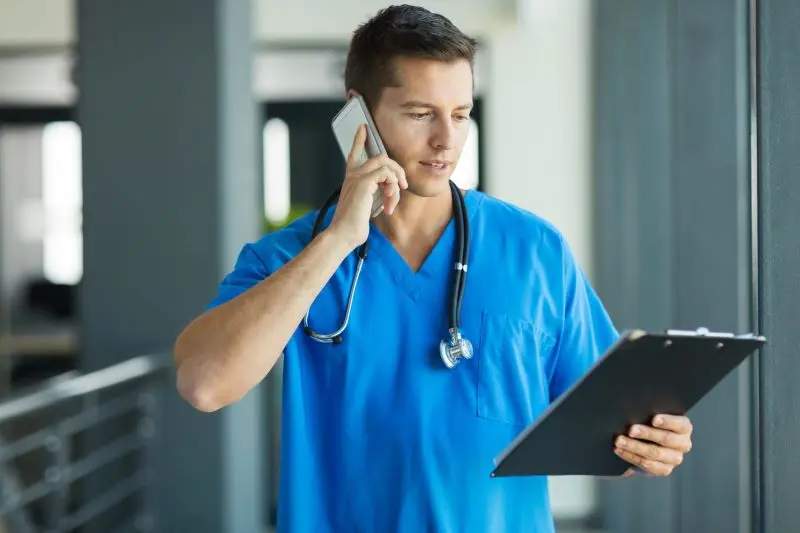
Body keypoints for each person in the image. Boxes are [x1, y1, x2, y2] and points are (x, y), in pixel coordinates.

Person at [173, 5, 694, 532]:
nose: (447, 140)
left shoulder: (535, 250)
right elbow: (205, 385)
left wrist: (649, 445)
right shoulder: (291, 258)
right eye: (421, 114)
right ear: (360, 115)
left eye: (462, 113)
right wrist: (338, 241)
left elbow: (606, 428)